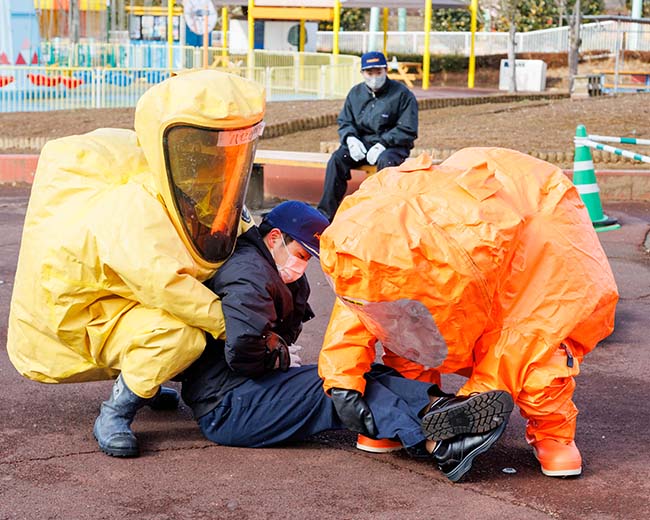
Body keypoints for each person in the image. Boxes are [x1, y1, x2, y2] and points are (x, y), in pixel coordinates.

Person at [7, 69, 266, 458]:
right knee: (181, 335)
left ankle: (145, 376)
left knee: (188, 321)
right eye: (204, 149)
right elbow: (166, 286)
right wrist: (238, 326)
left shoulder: (180, 187)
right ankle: (114, 413)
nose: (215, 162)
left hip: (121, 297)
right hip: (90, 315)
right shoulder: (134, 209)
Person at [318, 148, 619, 478]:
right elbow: (361, 294)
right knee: (404, 331)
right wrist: (342, 377)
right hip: (459, 242)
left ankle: (553, 435)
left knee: (541, 368)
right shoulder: (381, 229)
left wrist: (475, 400)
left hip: (536, 252)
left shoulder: (548, 243)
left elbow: (526, 336)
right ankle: (409, 419)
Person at [180, 200, 514, 483]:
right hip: (226, 409)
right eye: (300, 254)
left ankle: (439, 409)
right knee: (334, 387)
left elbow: (262, 341)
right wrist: (279, 357)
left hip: (245, 393)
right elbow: (243, 349)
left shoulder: (267, 270)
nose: (303, 265)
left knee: (365, 376)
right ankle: (438, 441)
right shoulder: (248, 273)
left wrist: (276, 349)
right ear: (275, 237)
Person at [317, 51, 418, 221]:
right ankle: (325, 214)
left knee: (387, 163)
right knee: (337, 159)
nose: (374, 77)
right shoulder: (355, 93)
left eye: (378, 72)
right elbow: (345, 121)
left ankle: (384, 214)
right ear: (362, 73)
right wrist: (350, 138)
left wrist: (384, 143)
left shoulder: (402, 94)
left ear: (385, 70)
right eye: (369, 73)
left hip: (392, 147)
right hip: (362, 145)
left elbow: (408, 128)